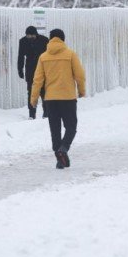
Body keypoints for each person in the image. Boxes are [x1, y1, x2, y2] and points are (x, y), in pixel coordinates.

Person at [30, 29, 86, 169]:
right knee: (71, 127)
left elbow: (37, 80)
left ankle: (60, 159)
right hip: (68, 98)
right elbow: (79, 75)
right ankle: (63, 149)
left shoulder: (43, 57)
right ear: (63, 39)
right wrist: (81, 90)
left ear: (50, 39)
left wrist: (34, 98)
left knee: (55, 130)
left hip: (51, 99)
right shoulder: (70, 54)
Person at [18, 26, 49, 120]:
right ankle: (32, 114)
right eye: (28, 36)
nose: (30, 37)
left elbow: (49, 56)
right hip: (30, 70)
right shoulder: (23, 41)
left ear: (36, 34)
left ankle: (46, 113)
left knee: (44, 92)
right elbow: (21, 56)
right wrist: (20, 69)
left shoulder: (44, 40)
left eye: (32, 35)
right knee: (31, 93)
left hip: (43, 69)